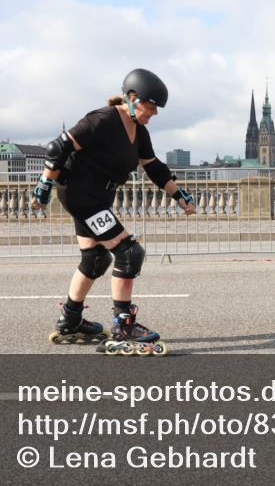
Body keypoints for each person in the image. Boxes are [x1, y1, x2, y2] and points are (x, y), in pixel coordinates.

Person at [32, 68, 195, 355]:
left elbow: (154, 167)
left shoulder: (139, 131)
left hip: (97, 197)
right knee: (129, 252)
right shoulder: (103, 119)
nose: (155, 112)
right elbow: (58, 147)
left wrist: (178, 194)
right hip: (83, 196)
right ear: (132, 98)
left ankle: (70, 319)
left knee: (95, 258)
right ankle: (124, 325)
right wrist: (44, 185)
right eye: (151, 106)